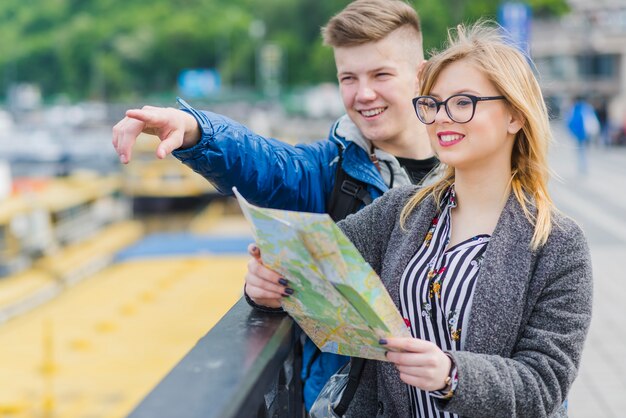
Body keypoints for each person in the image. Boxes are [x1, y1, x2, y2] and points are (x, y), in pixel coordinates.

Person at [244, 21, 593, 417]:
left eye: (463, 102)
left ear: (514, 116)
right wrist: (265, 286)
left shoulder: (558, 243)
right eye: (433, 103)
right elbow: (311, 270)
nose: (442, 117)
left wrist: (452, 374)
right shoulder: (400, 210)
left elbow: (545, 382)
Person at [112, 0, 437, 410]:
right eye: (348, 77)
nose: (363, 93)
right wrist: (195, 130)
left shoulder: (470, 169)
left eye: (381, 74)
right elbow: (265, 163)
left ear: (421, 75)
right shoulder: (330, 169)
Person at [565, 97, 599, 175]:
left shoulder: (575, 109)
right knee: (584, 149)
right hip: (587, 133)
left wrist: (572, 132)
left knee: (580, 150)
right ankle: (584, 165)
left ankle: (582, 165)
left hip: (579, 134)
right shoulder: (588, 108)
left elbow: (570, 122)